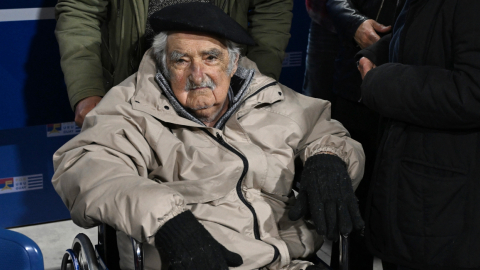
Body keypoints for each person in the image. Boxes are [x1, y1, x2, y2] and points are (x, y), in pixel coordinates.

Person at [52, 3, 365, 269]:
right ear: (163, 65)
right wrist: (168, 222)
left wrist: (328, 159)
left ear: (232, 64)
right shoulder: (132, 110)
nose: (197, 75)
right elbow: (86, 167)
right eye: (181, 60)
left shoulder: (267, 97)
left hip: (291, 261)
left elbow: (324, 130)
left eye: (210, 57)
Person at [357, 0, 480, 269]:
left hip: (449, 204)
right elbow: (425, 39)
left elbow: (472, 91)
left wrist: (379, 82)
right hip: (422, 189)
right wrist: (377, 53)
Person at [54, 0, 293, 127]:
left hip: (220, 88)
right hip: (133, 84)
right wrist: (87, 90)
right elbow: (80, 12)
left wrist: (253, 84)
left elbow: (272, 10)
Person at [303, 0, 404, 269]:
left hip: (406, 61)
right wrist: (352, 22)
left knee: (398, 203)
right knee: (351, 190)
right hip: (345, 51)